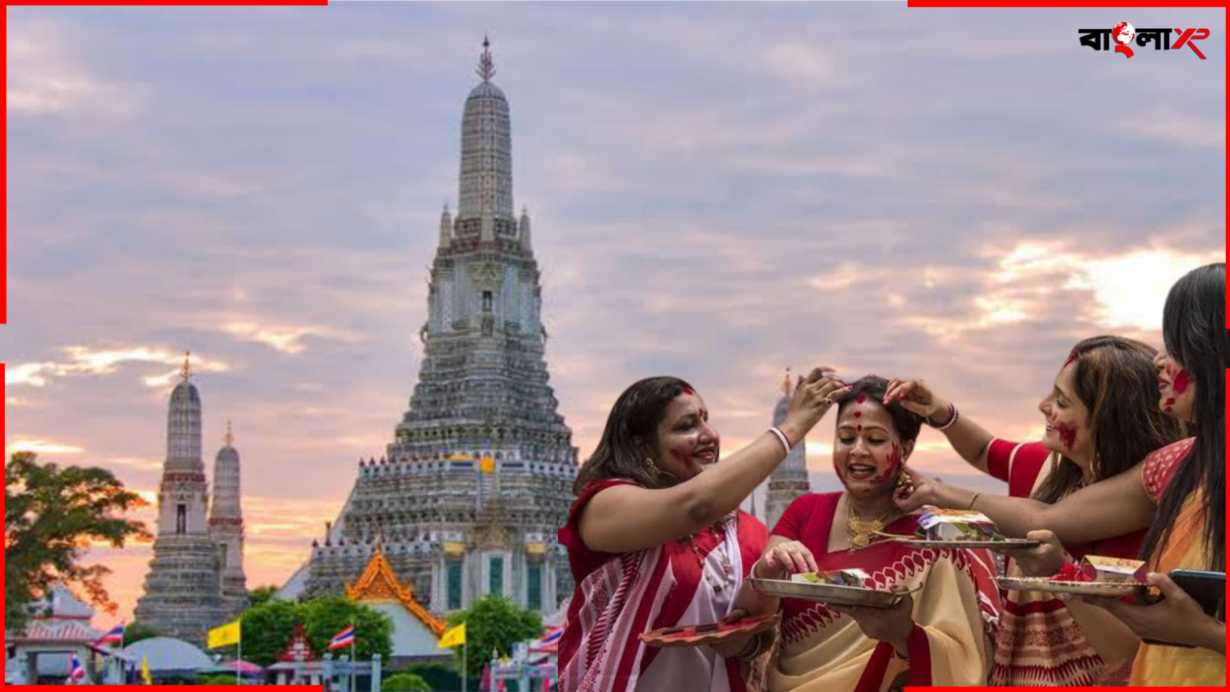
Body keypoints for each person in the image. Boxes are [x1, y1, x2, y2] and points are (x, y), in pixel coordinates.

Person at [895, 263, 1226, 685]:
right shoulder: (1173, 466)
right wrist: (942, 423)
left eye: (1176, 347)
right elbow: (1040, 518)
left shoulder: (1165, 469)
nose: (1161, 361)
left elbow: (1126, 644)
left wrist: (1202, 633)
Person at [880, 336, 1181, 685]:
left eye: (1062, 401)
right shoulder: (1044, 469)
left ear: (1108, 419)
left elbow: (1131, 652)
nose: (1043, 405)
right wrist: (939, 411)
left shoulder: (1153, 498)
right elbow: (983, 450)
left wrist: (938, 491)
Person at [557, 371, 844, 692]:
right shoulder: (604, 505)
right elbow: (694, 506)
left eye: (706, 420)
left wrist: (744, 642)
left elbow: (758, 635)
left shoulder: (746, 531)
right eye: (686, 426)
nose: (708, 435)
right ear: (642, 446)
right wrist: (792, 427)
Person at [731, 376, 1001, 691]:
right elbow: (754, 615)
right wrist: (767, 568)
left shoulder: (937, 537)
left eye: (874, 440)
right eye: (846, 438)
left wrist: (903, 635)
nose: (857, 451)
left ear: (906, 448)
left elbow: (963, 658)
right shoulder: (805, 512)